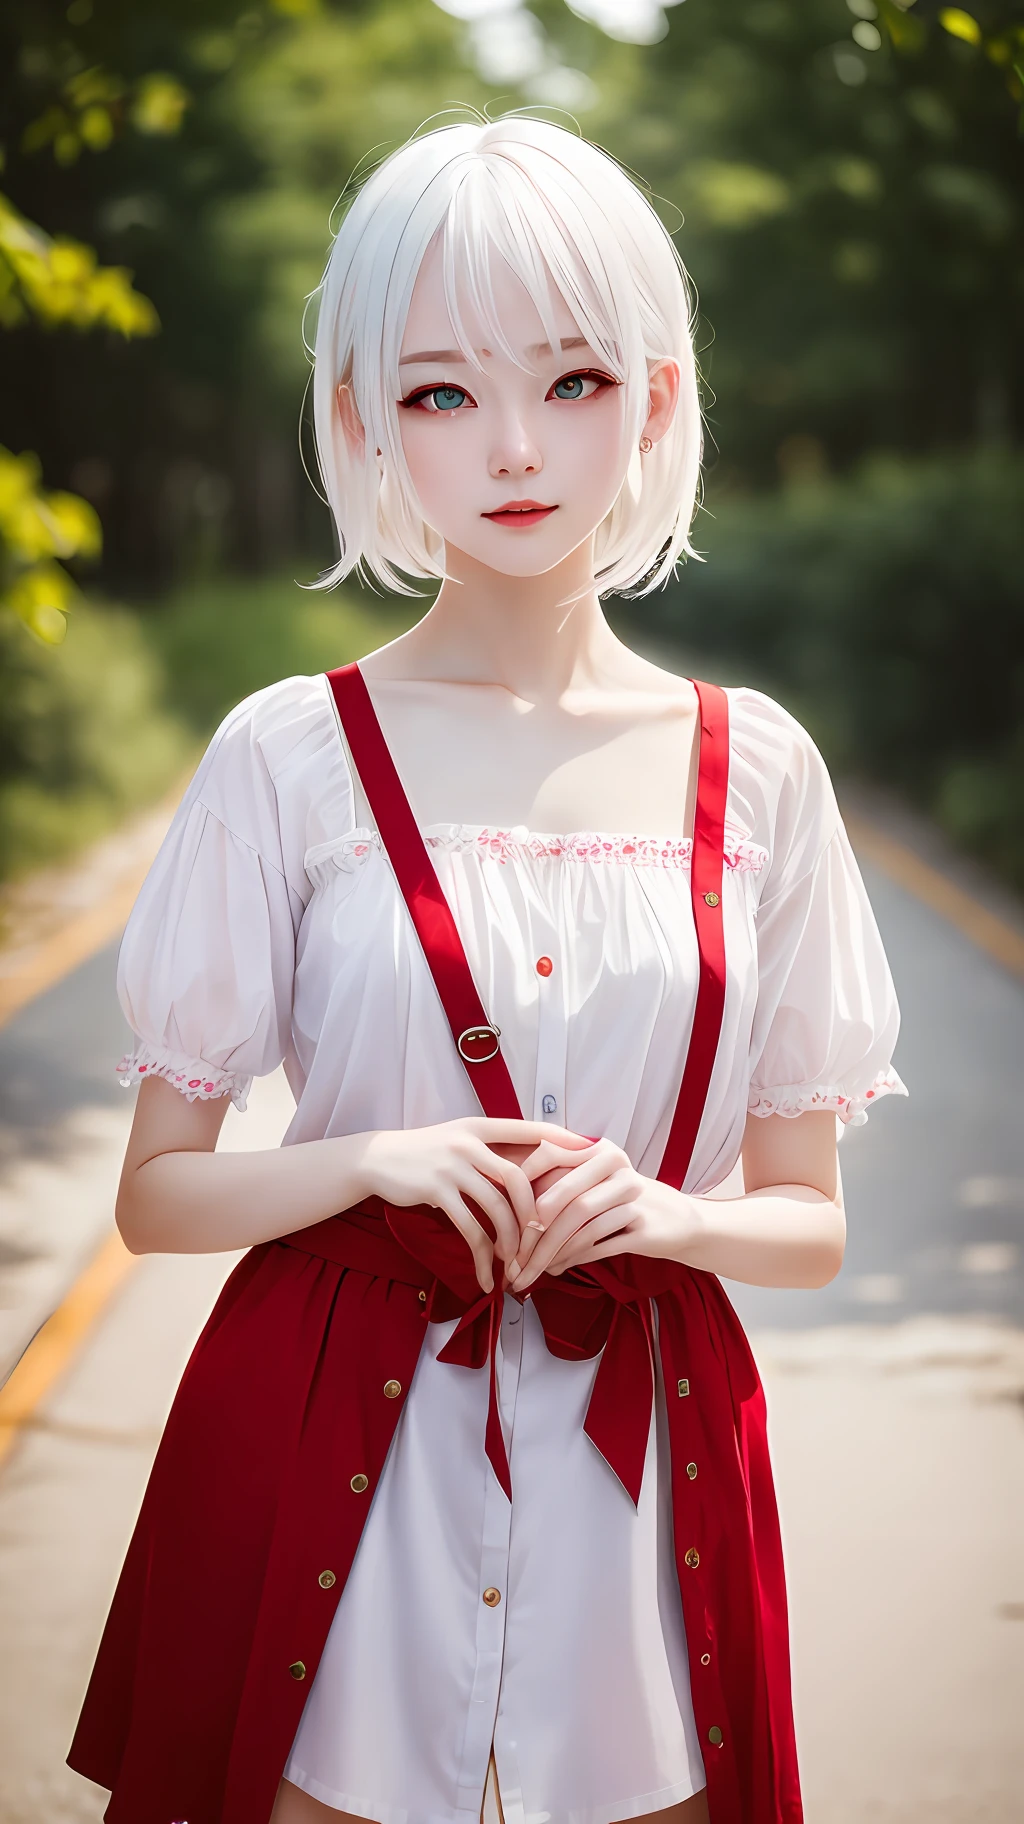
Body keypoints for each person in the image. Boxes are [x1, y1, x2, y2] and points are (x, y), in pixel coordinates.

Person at [68, 114, 906, 1824]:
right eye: (445, 393)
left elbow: (807, 1222)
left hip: (645, 1449)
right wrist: (378, 1161)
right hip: (327, 1440)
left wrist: (658, 1217)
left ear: (657, 399)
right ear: (367, 419)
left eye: (576, 381)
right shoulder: (286, 757)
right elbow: (158, 1198)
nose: (517, 447)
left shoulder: (759, 772)